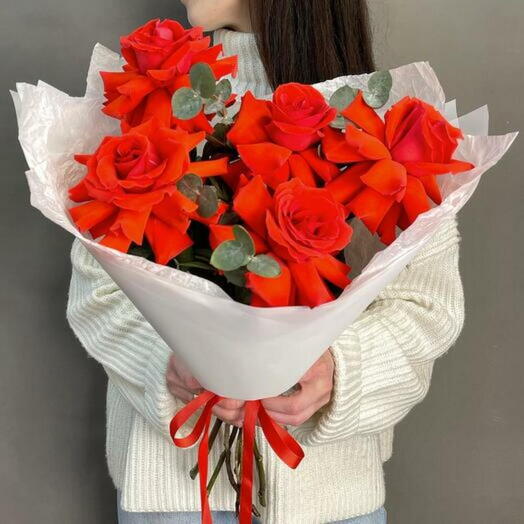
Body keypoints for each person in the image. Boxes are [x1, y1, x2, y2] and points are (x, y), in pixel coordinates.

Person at [66, 1, 465, 522]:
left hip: (333, 502)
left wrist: (338, 373)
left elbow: (427, 307)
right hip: (170, 499)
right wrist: (167, 361)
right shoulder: (142, 99)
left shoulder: (387, 119)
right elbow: (96, 290)